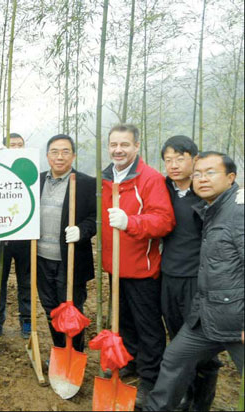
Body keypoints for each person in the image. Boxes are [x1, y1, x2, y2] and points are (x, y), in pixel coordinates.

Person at [144, 151, 244, 411]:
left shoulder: (238, 213)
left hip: (238, 319)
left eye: (211, 173)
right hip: (207, 314)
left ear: (231, 177)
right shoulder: (211, 210)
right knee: (175, 358)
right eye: (198, 174)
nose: (202, 179)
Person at [101, 123, 175, 408]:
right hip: (115, 266)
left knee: (148, 327)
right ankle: (128, 361)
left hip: (142, 268)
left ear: (136, 147)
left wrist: (131, 222)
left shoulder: (150, 179)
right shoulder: (108, 178)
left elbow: (164, 220)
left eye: (125, 145)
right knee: (124, 321)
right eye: (114, 145)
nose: (118, 150)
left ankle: (149, 377)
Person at [159, 135, 222, 411]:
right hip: (168, 275)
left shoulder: (207, 195)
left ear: (194, 159)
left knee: (202, 345)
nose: (174, 165)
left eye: (180, 158)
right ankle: (184, 394)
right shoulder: (164, 190)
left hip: (197, 282)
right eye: (168, 160)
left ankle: (202, 401)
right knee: (176, 340)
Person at [37, 134, 96, 353]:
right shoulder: (37, 180)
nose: (59, 157)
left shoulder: (86, 183)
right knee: (50, 308)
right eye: (54, 152)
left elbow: (95, 217)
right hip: (41, 258)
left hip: (70, 260)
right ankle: (60, 351)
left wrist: (81, 230)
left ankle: (75, 353)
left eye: (65, 152)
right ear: (47, 155)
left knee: (71, 309)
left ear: (73, 156)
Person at [0, 133, 32, 339]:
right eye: (12, 145)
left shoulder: (30, 172)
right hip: (0, 238)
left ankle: (27, 321)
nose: (16, 148)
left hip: (26, 238)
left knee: (26, 282)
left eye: (20, 145)